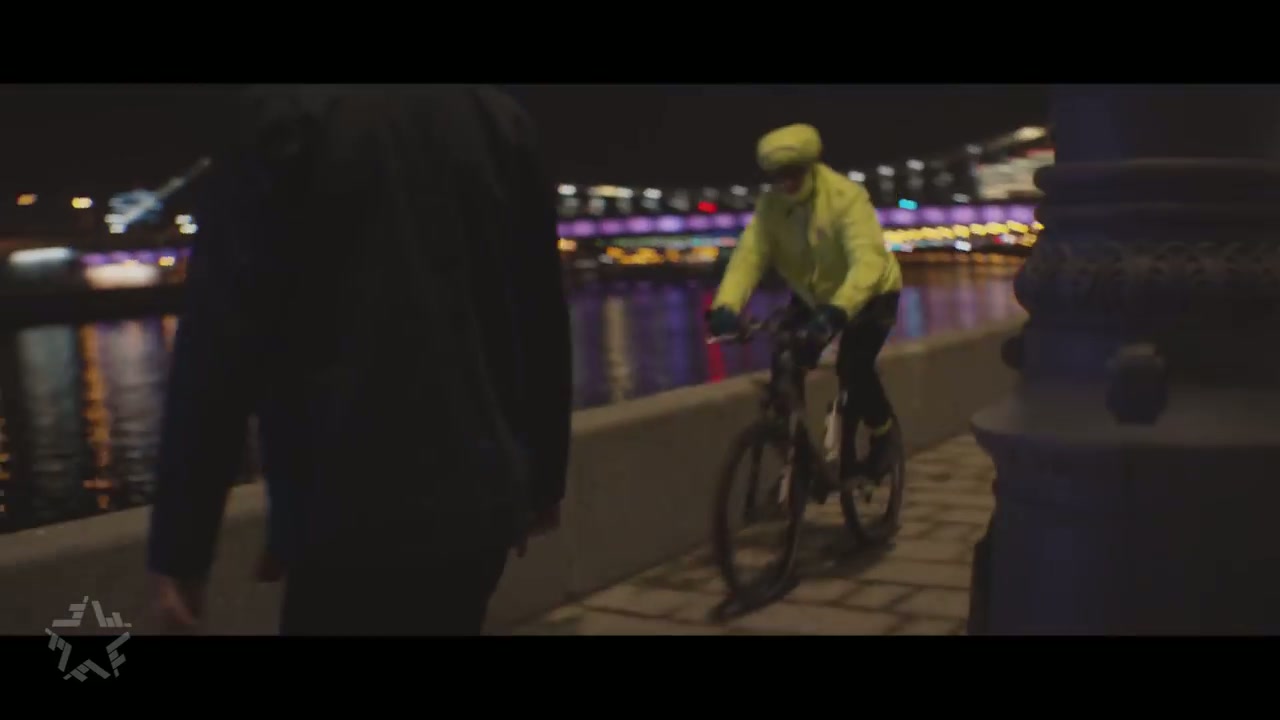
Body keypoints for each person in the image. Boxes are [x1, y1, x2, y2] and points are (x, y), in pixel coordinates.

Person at [147, 85, 572, 635]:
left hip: (343, 507)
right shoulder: (498, 117)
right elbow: (540, 315)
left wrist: (183, 546)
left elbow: (219, 344)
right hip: (477, 505)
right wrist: (543, 479)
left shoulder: (285, 115)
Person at [706, 123, 902, 483]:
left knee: (854, 366)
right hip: (816, 298)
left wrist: (837, 311)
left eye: (794, 172)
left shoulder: (844, 197)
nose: (787, 182)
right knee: (786, 357)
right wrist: (726, 307)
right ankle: (795, 458)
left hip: (872, 292)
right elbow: (749, 258)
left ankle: (883, 436)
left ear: (810, 166)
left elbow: (868, 262)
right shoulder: (770, 208)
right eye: (778, 175)